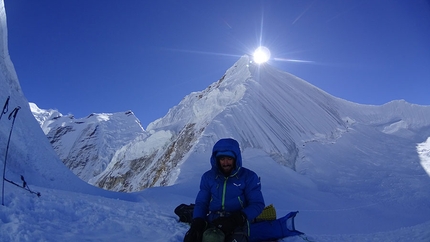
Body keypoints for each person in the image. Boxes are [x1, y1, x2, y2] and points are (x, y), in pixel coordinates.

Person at [184, 138, 265, 242]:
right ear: (217, 160)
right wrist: (198, 221)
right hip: (214, 221)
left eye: (229, 159)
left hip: (238, 222)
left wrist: (238, 218)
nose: (226, 163)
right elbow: (201, 203)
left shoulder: (248, 177)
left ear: (236, 159)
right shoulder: (208, 177)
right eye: (222, 159)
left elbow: (257, 204)